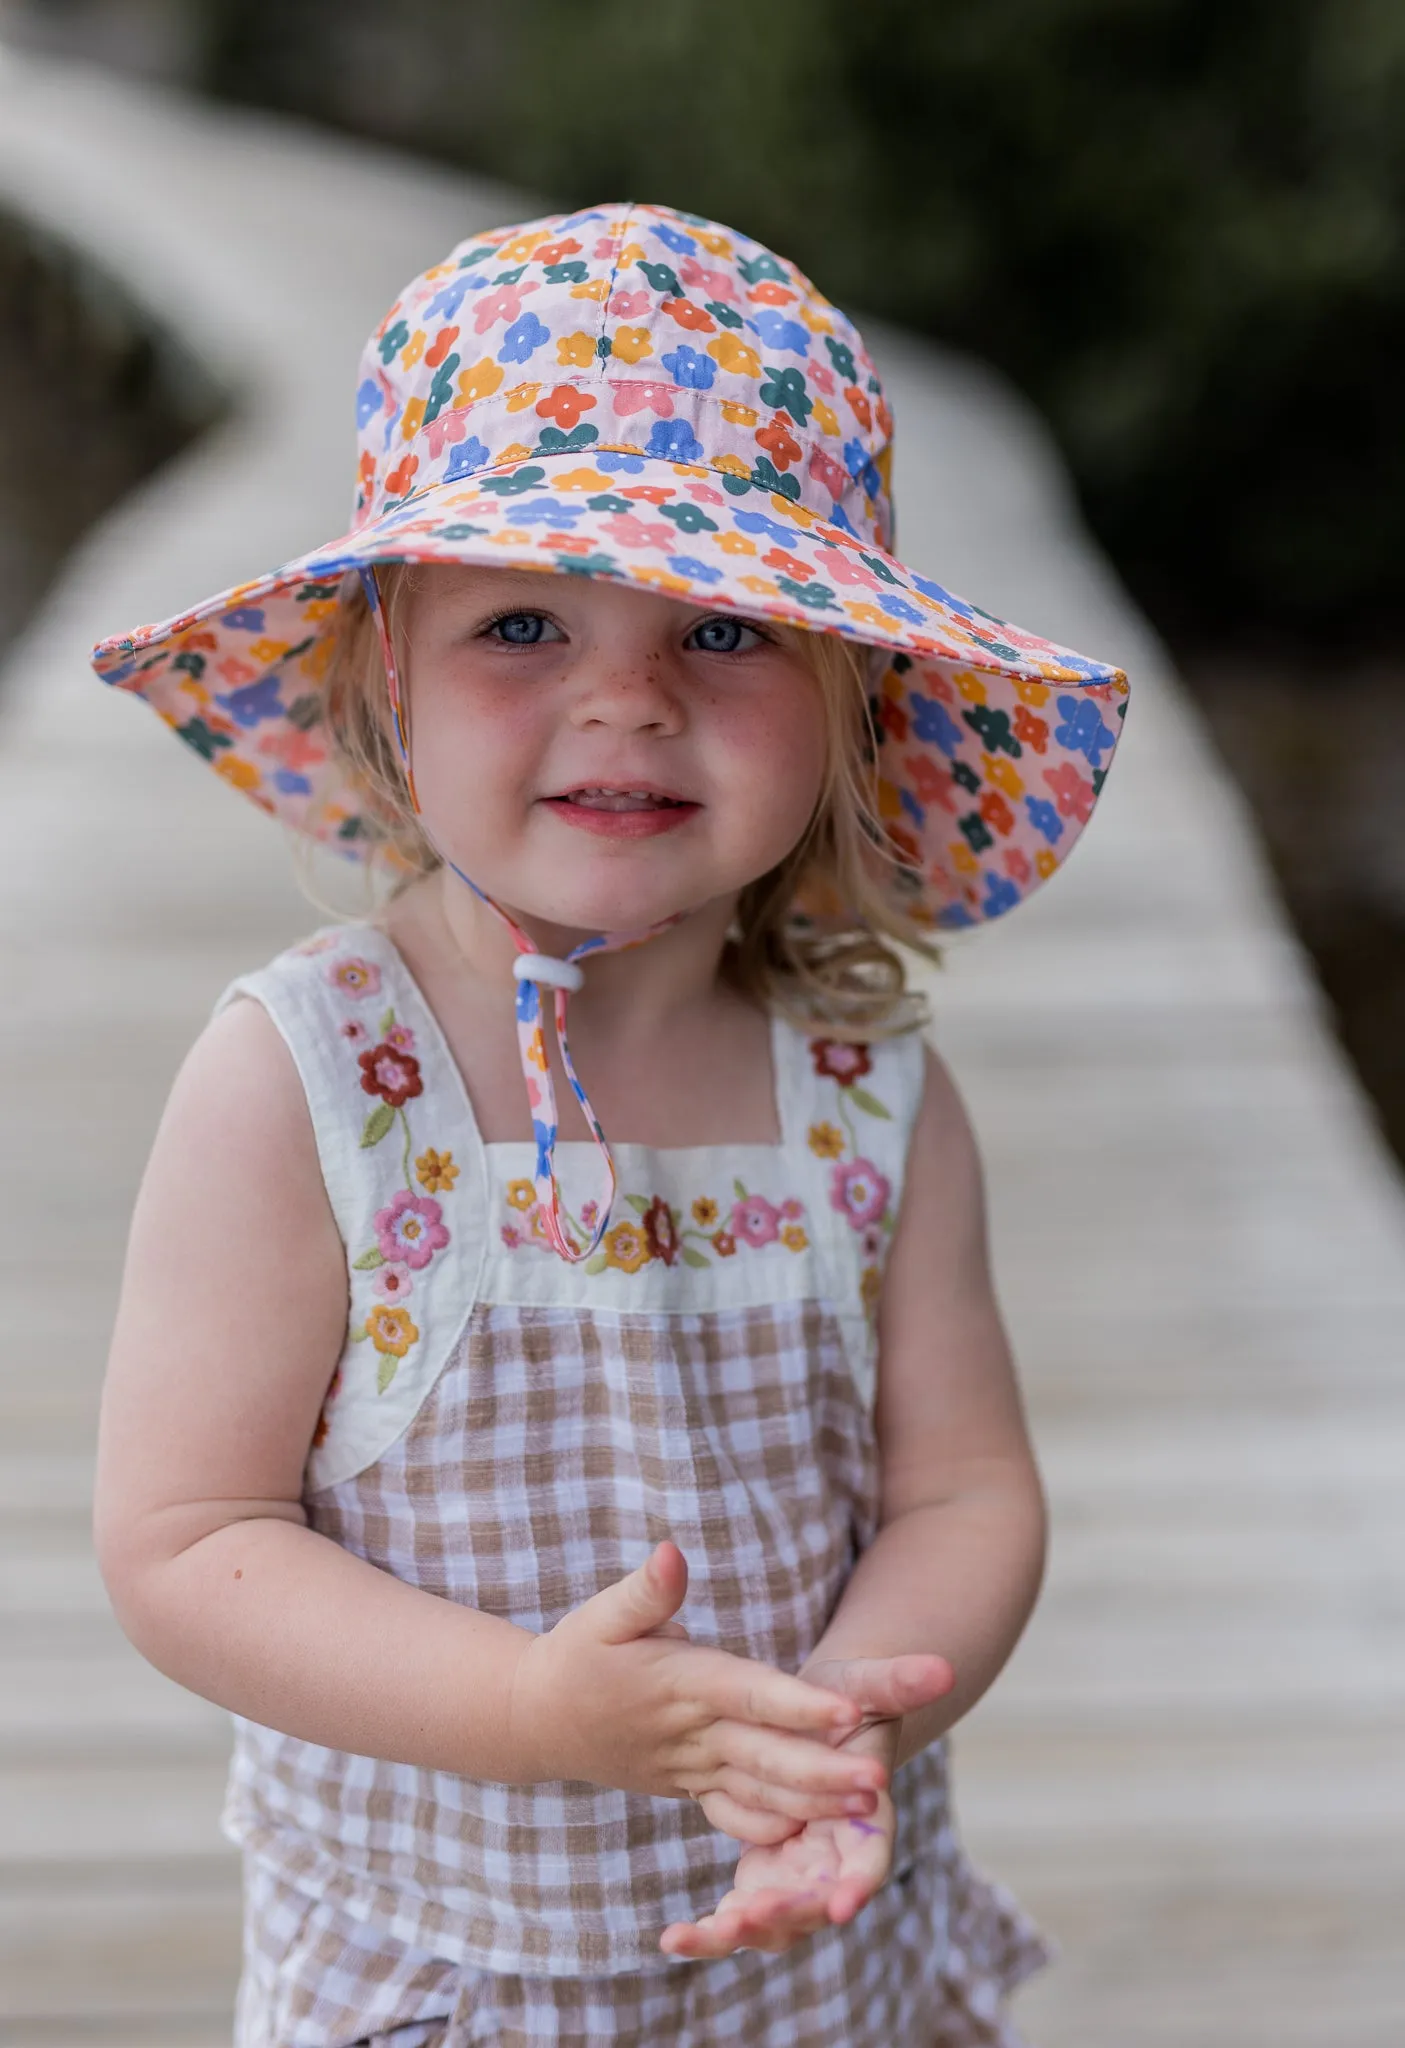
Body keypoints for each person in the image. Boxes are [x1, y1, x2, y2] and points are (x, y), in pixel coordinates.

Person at [89, 201, 1128, 2047]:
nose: (628, 696)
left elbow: (967, 1486)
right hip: (440, 1971)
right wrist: (535, 1712)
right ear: (385, 684)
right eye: (521, 621)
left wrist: (852, 1717)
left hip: (825, 1958)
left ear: (852, 702)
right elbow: (187, 1538)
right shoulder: (313, 1082)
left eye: (724, 626)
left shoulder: (867, 1099)